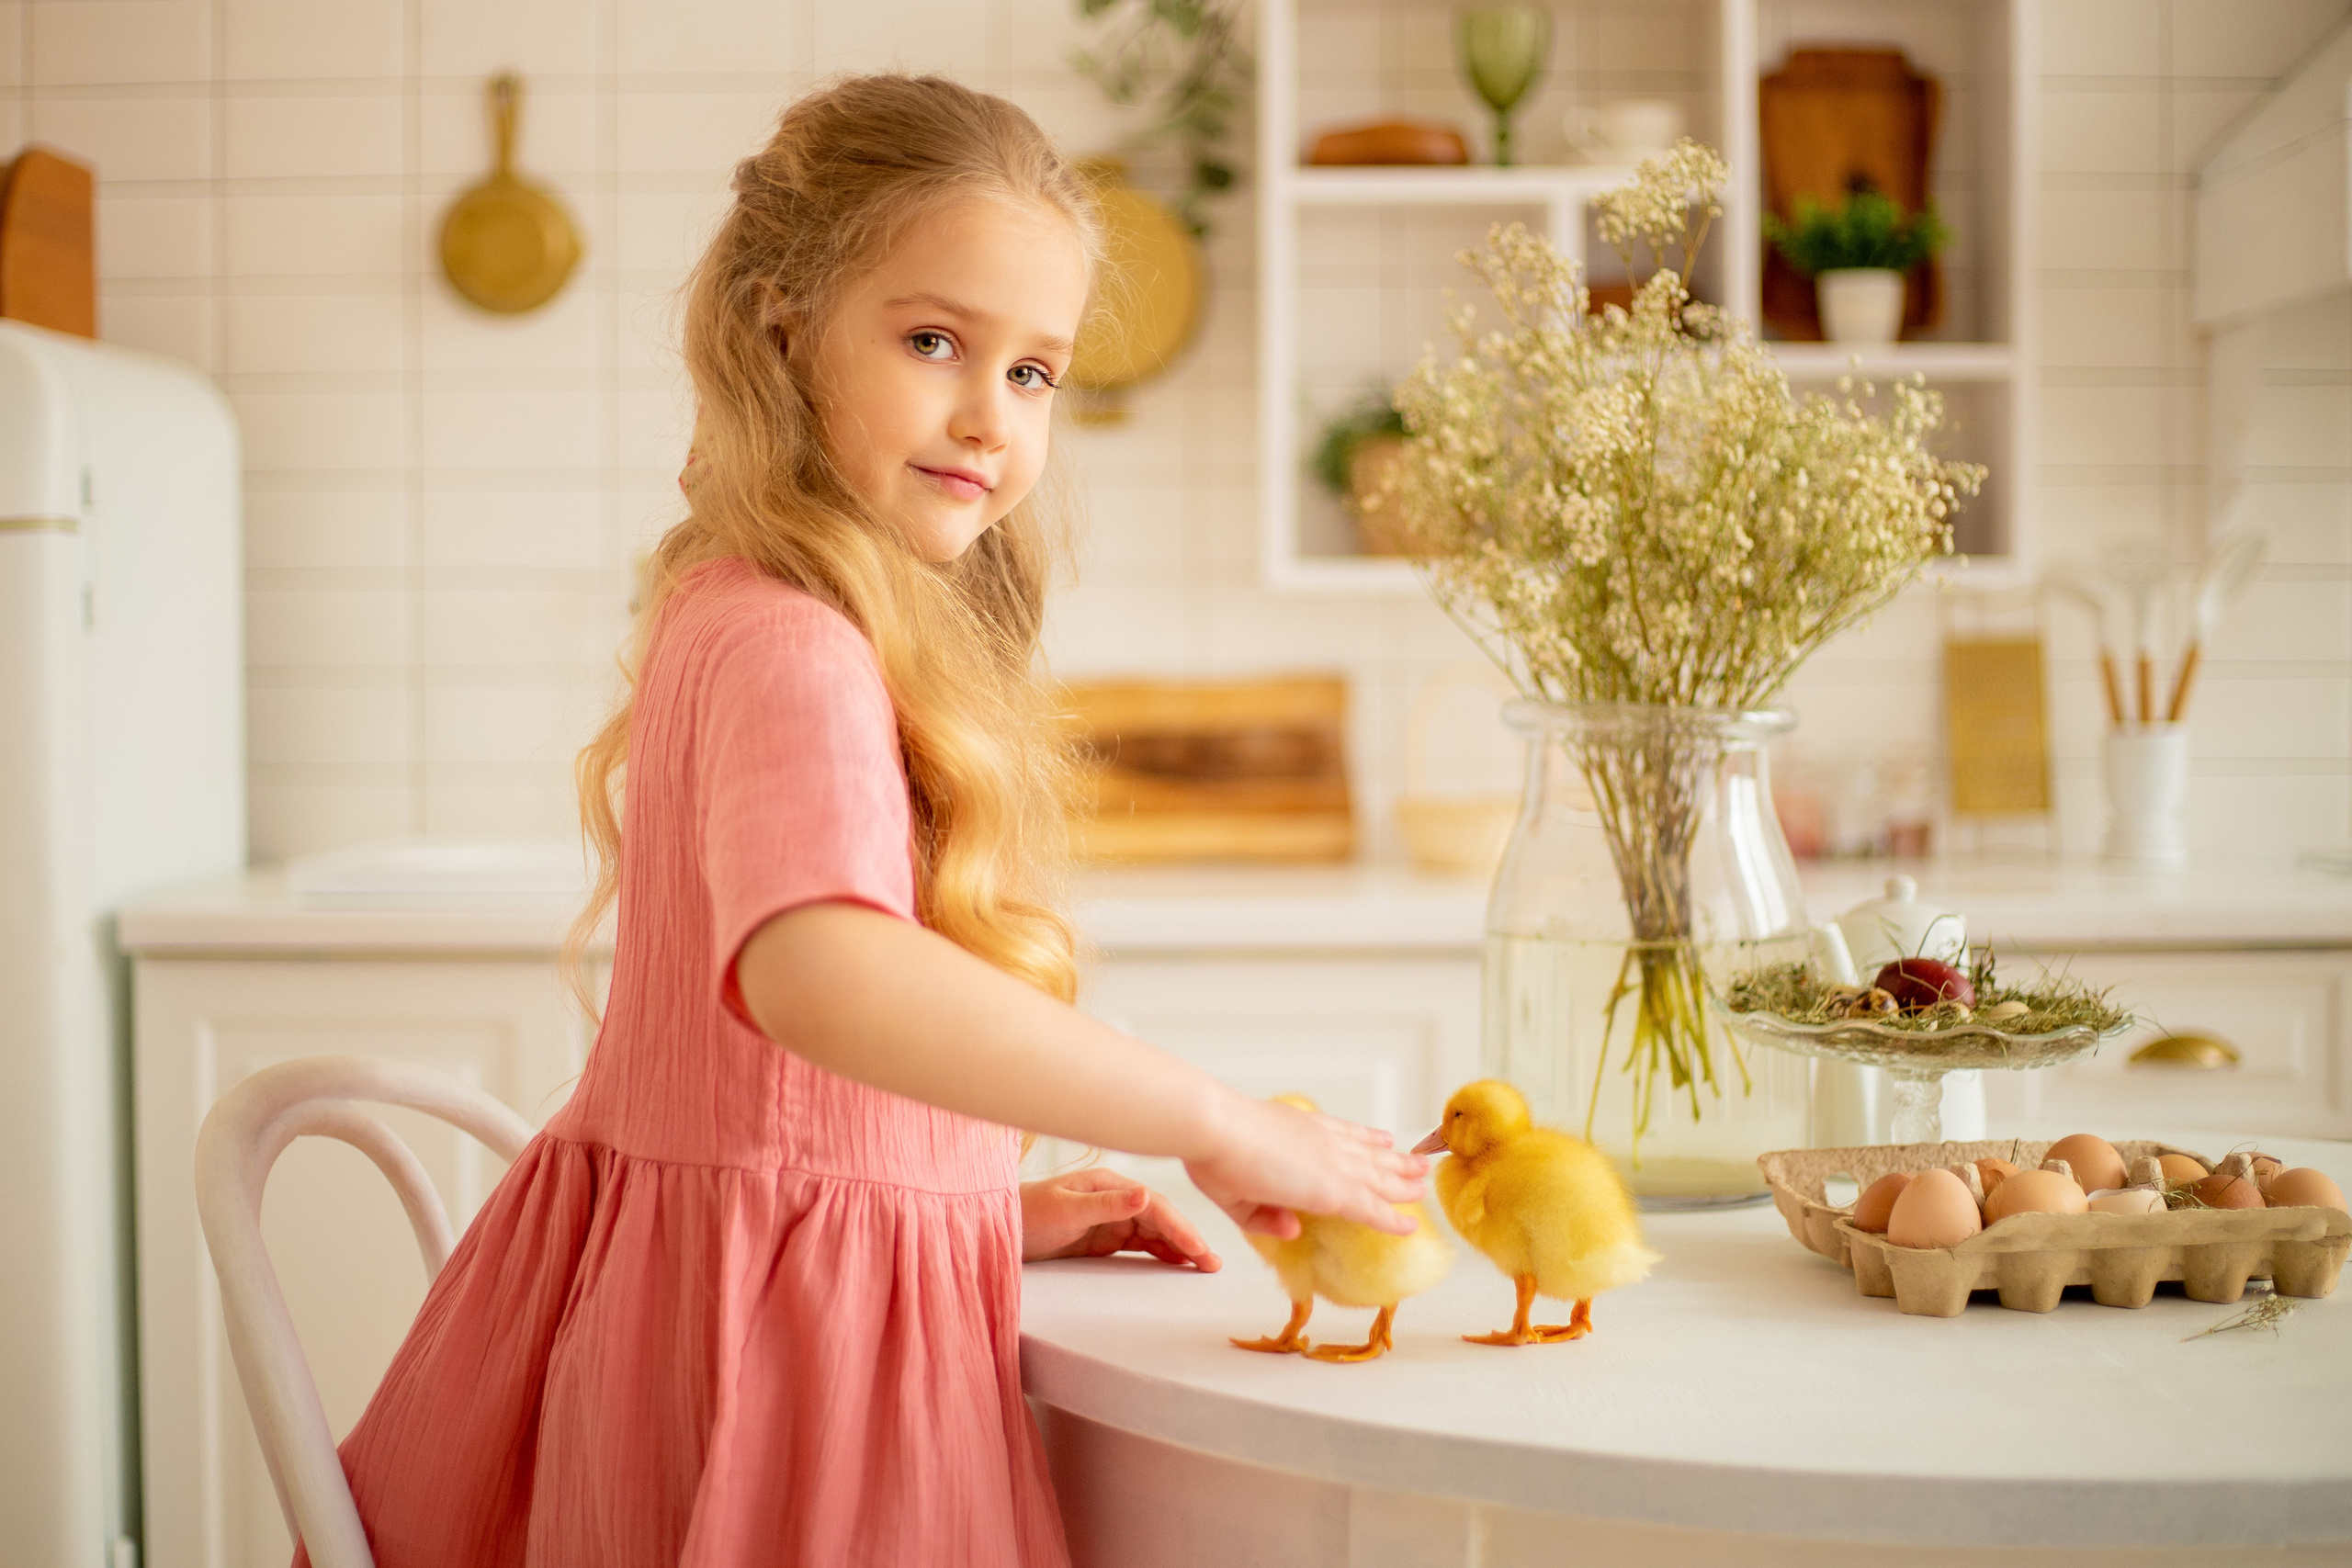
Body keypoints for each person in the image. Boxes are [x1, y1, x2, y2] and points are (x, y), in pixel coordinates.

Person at [306, 73, 1427, 1568]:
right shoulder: (791, 639)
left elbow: (764, 1122)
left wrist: (979, 1209)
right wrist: (1209, 1121)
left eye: (1036, 373)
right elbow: (818, 973)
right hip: (787, 1366)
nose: (990, 414)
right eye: (934, 340)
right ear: (785, 330)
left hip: (741, 1302)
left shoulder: (748, 601)